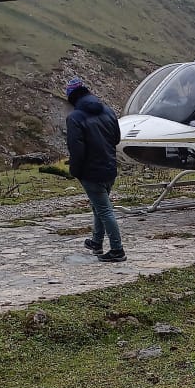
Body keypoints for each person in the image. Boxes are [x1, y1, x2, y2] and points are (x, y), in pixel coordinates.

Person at [65, 77, 126, 262]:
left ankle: (117, 250)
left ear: (72, 98)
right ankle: (96, 242)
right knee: (99, 207)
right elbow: (116, 138)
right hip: (109, 167)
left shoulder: (75, 118)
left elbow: (76, 150)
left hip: (91, 172)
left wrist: (75, 171)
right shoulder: (107, 111)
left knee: (105, 210)